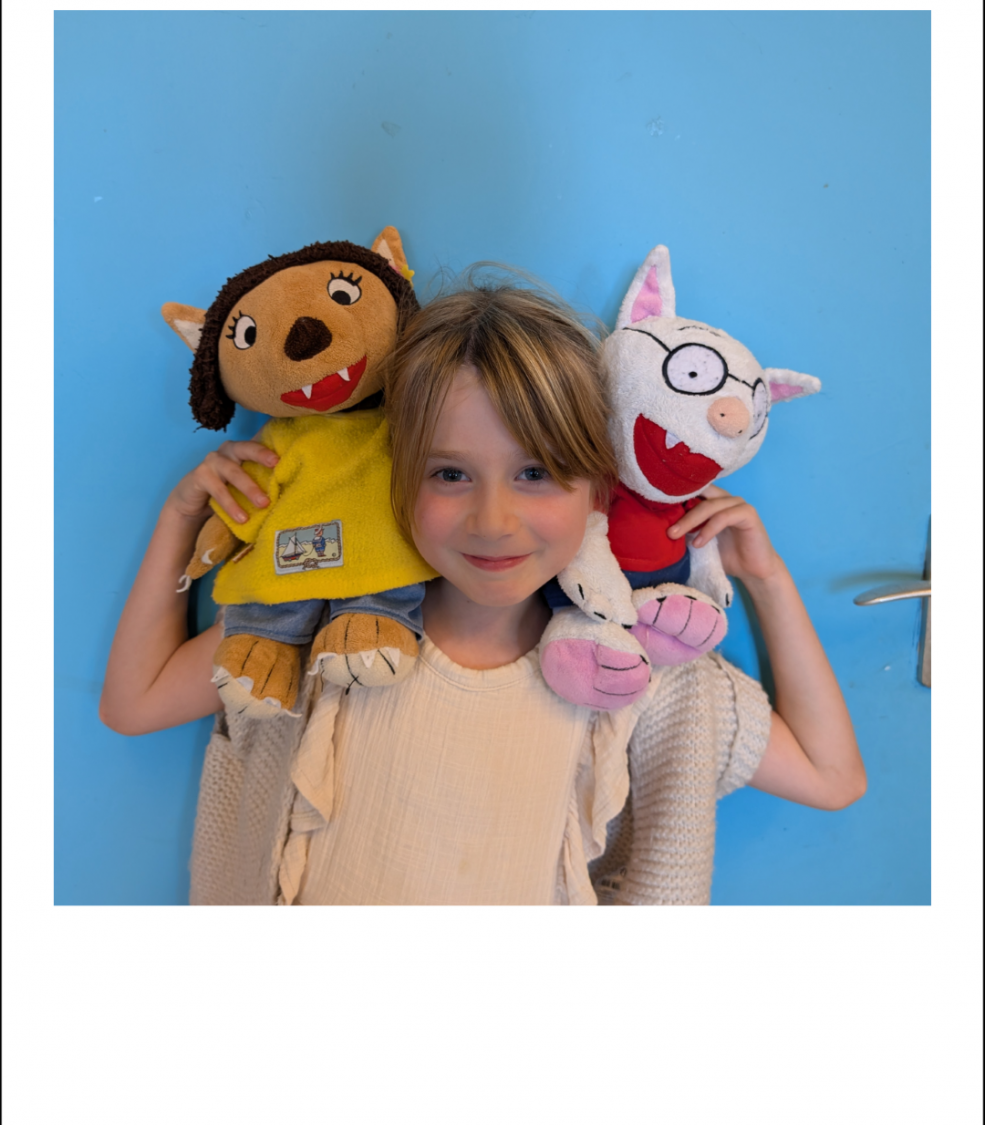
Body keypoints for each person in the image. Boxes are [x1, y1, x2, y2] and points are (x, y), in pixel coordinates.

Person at [100, 271, 865, 905]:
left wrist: (764, 578)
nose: (493, 521)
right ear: (397, 479)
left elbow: (831, 777)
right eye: (449, 474)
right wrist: (182, 515)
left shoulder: (631, 670)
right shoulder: (321, 626)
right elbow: (134, 704)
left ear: (599, 489)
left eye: (535, 473)